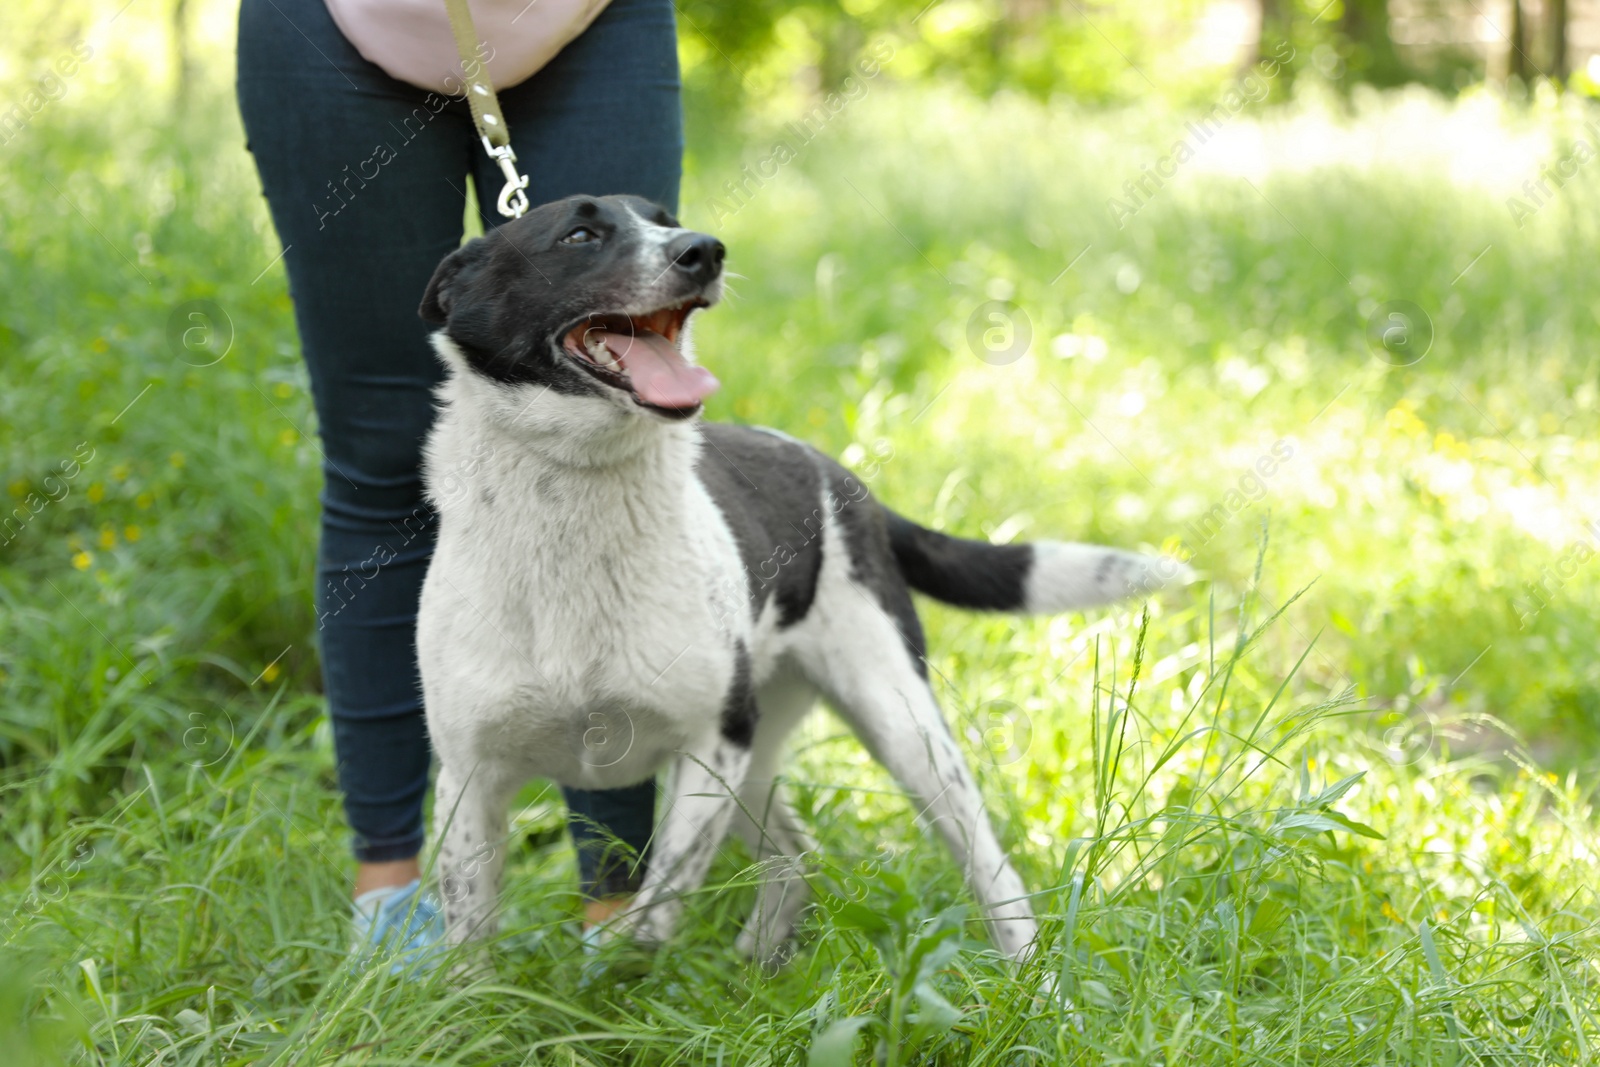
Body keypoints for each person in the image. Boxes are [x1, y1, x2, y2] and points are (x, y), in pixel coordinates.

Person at [235, 0, 677, 962]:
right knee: (383, 455)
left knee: (602, 440)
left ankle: (617, 911)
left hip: (589, 20)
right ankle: (393, 902)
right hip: (330, 26)